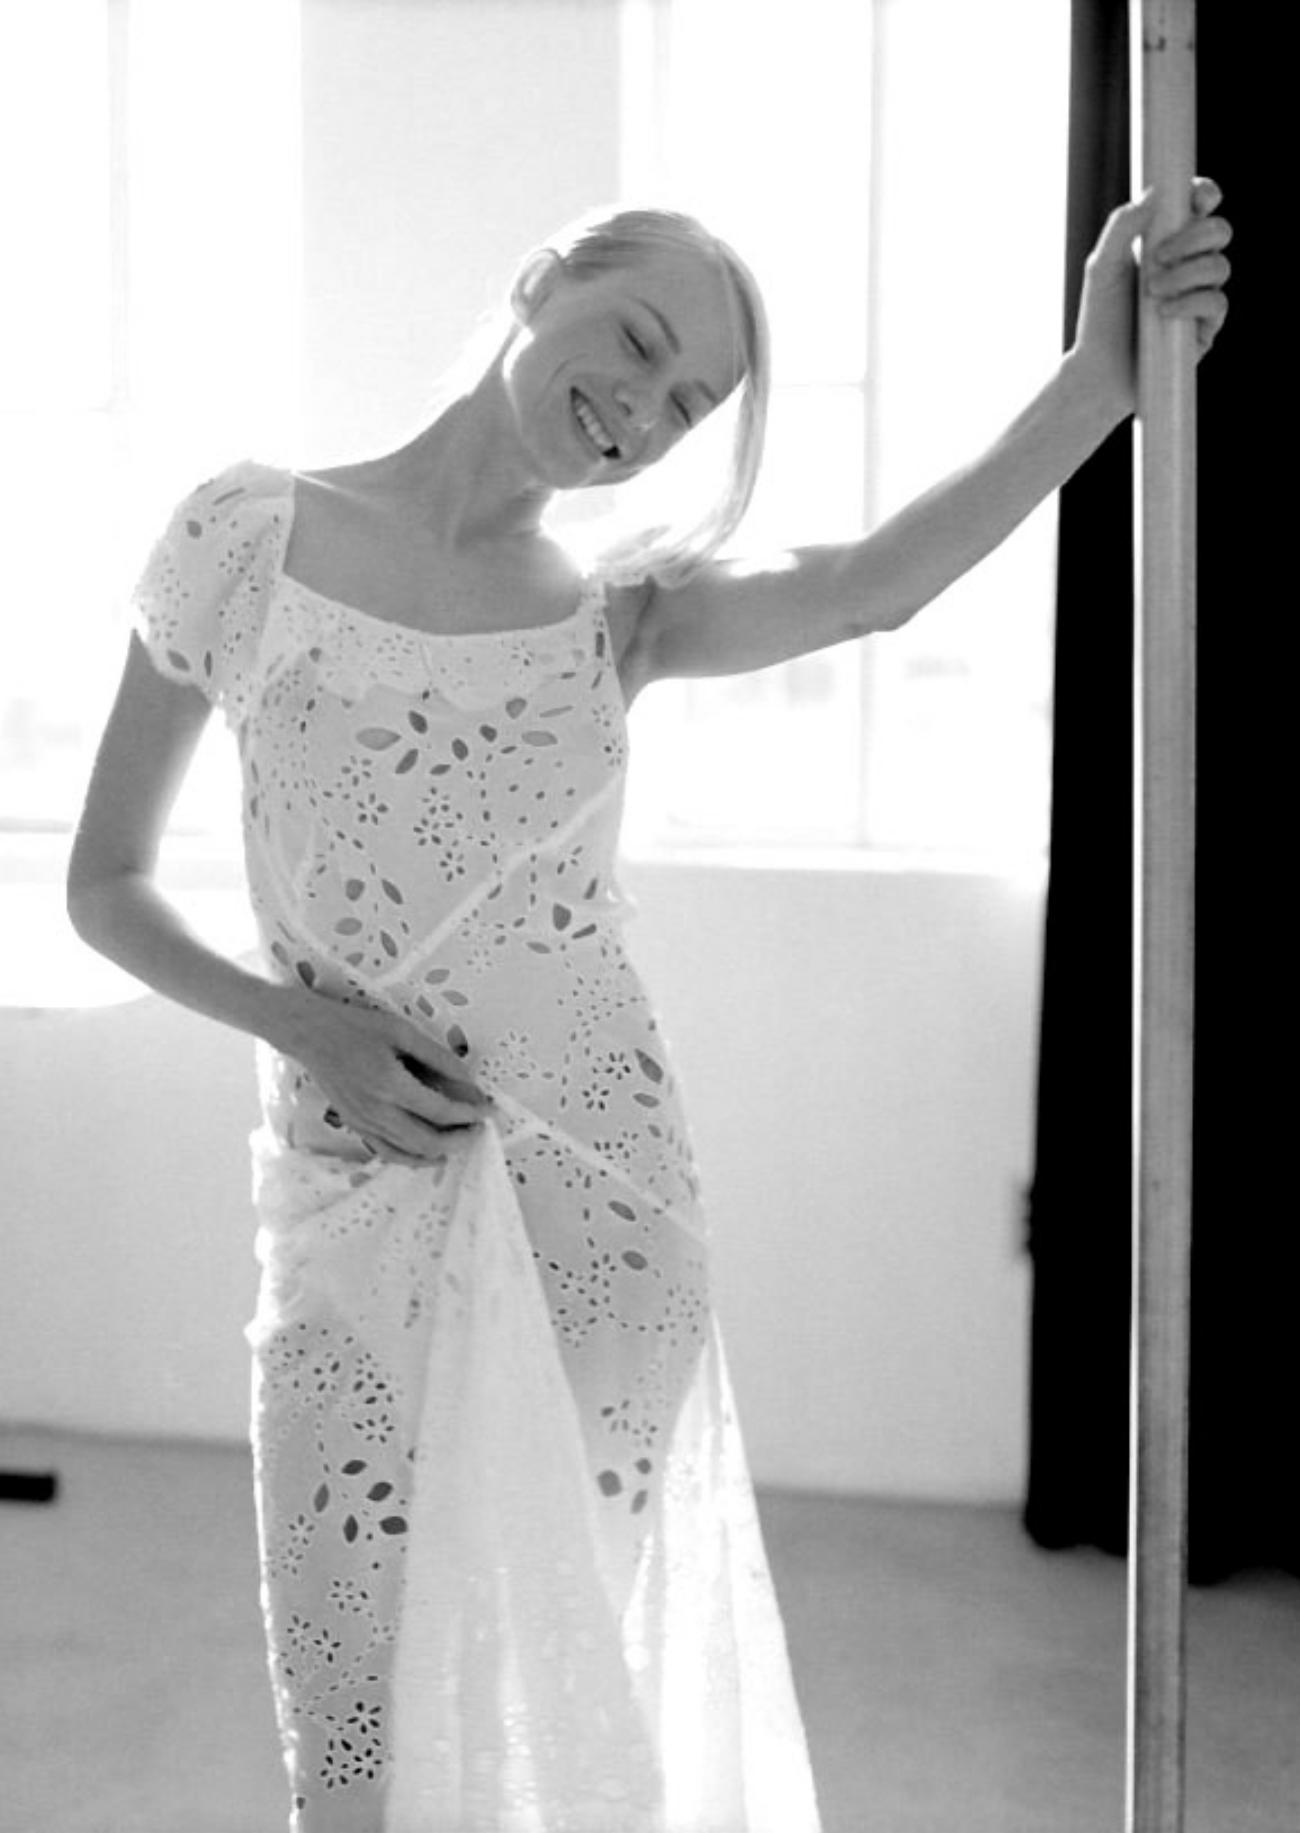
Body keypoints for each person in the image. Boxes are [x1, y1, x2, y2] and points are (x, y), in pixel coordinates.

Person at [66, 183, 1230, 1832]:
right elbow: (104, 881)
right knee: (351, 1743)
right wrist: (301, 1024)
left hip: (601, 1209)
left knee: (541, 1709)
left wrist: (1100, 378)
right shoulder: (246, 534)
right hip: (346, 1192)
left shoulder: (616, 611)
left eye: (689, 404)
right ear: (543, 276)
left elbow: (876, 582)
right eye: (635, 339)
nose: (641, 407)